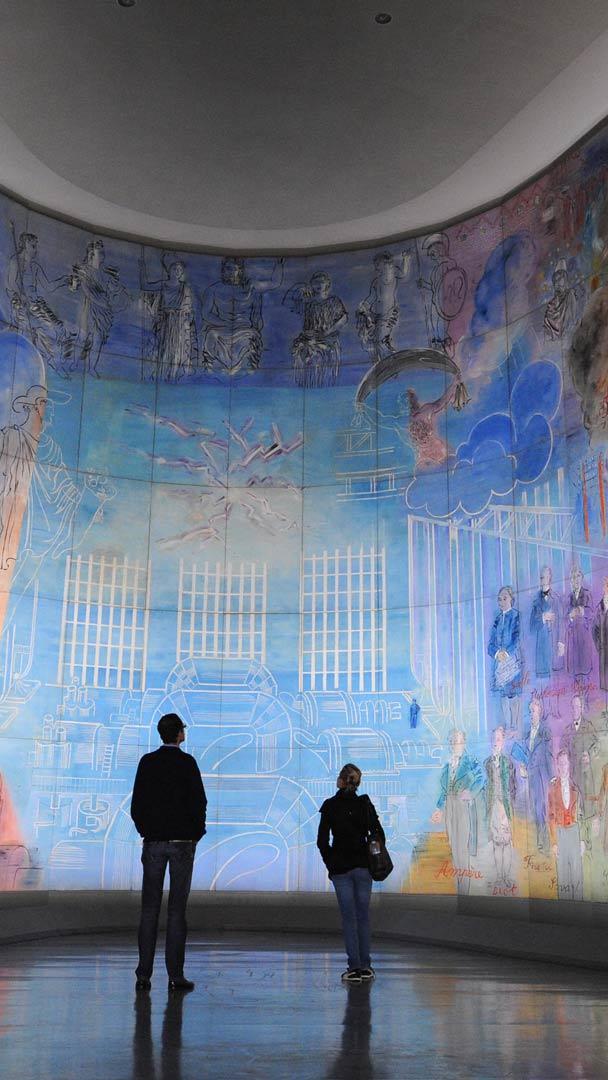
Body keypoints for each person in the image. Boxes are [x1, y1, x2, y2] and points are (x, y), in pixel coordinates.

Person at [130, 713, 207, 992]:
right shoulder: (188, 763)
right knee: (176, 911)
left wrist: (146, 831)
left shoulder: (147, 762)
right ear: (179, 734)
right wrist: (195, 833)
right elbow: (199, 802)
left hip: (154, 843)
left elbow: (137, 804)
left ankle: (143, 975)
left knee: (149, 910)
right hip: (182, 843)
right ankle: (175, 975)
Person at [317, 763, 384, 983]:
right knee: (363, 916)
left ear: (341, 780)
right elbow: (378, 833)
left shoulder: (329, 806)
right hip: (363, 866)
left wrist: (330, 862)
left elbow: (322, 841)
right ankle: (366, 966)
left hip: (340, 868)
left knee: (349, 918)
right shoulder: (364, 804)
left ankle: (354, 967)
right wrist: (372, 855)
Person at [431, 729, 484, 894]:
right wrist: (438, 809)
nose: (456, 745)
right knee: (454, 848)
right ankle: (460, 886)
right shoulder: (447, 766)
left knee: (462, 848)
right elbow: (444, 791)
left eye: (459, 741)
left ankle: (464, 889)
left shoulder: (470, 761)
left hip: (462, 807)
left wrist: (471, 792)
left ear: (464, 743)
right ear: (450, 744)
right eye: (454, 741)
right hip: (449, 808)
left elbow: (482, 777)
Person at [548, 749, 585, 901]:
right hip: (560, 833)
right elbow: (550, 816)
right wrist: (554, 842)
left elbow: (581, 816)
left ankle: (579, 908)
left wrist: (582, 840)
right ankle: (564, 908)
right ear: (557, 765)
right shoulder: (552, 788)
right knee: (563, 875)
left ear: (569, 764)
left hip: (574, 832)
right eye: (560, 763)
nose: (563, 766)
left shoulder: (576, 788)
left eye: (565, 763)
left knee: (577, 875)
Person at [484, 726, 517, 890]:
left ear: (503, 741)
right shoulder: (487, 763)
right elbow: (486, 786)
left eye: (498, 739)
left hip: (505, 808)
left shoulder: (508, 763)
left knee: (507, 842)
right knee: (497, 843)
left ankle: (506, 877)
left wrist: (509, 804)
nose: (495, 742)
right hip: (493, 808)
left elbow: (513, 786)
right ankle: (499, 877)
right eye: (493, 739)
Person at [488, 585, 523, 735]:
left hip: (512, 661)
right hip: (499, 663)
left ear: (511, 599)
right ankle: (507, 726)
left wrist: (507, 653)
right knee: (503, 694)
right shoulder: (497, 620)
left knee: (512, 693)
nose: (501, 602)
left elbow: (517, 638)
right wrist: (497, 653)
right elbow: (490, 644)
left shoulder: (516, 616)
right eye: (499, 599)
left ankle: (514, 726)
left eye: (504, 598)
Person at [529, 565, 564, 678]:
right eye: (541, 577)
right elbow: (531, 626)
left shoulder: (557, 598)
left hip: (554, 641)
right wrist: (543, 617)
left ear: (550, 578)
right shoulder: (535, 601)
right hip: (542, 643)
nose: (543, 579)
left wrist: (561, 642)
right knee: (543, 678)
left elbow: (561, 622)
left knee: (556, 676)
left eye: (546, 576)